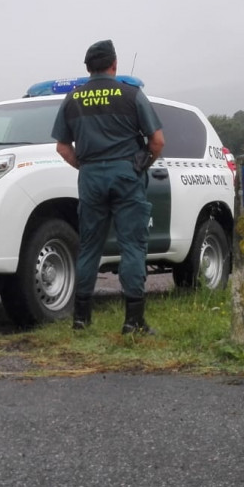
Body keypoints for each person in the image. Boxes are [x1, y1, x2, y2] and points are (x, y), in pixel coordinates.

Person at [51, 39, 165, 334]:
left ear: (88, 68)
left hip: (90, 177)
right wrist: (140, 166)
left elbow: (62, 147)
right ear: (114, 64)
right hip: (126, 175)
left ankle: (80, 319)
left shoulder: (73, 99)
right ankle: (133, 321)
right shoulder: (131, 94)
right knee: (132, 246)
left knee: (89, 246)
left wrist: (85, 166)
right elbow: (157, 142)